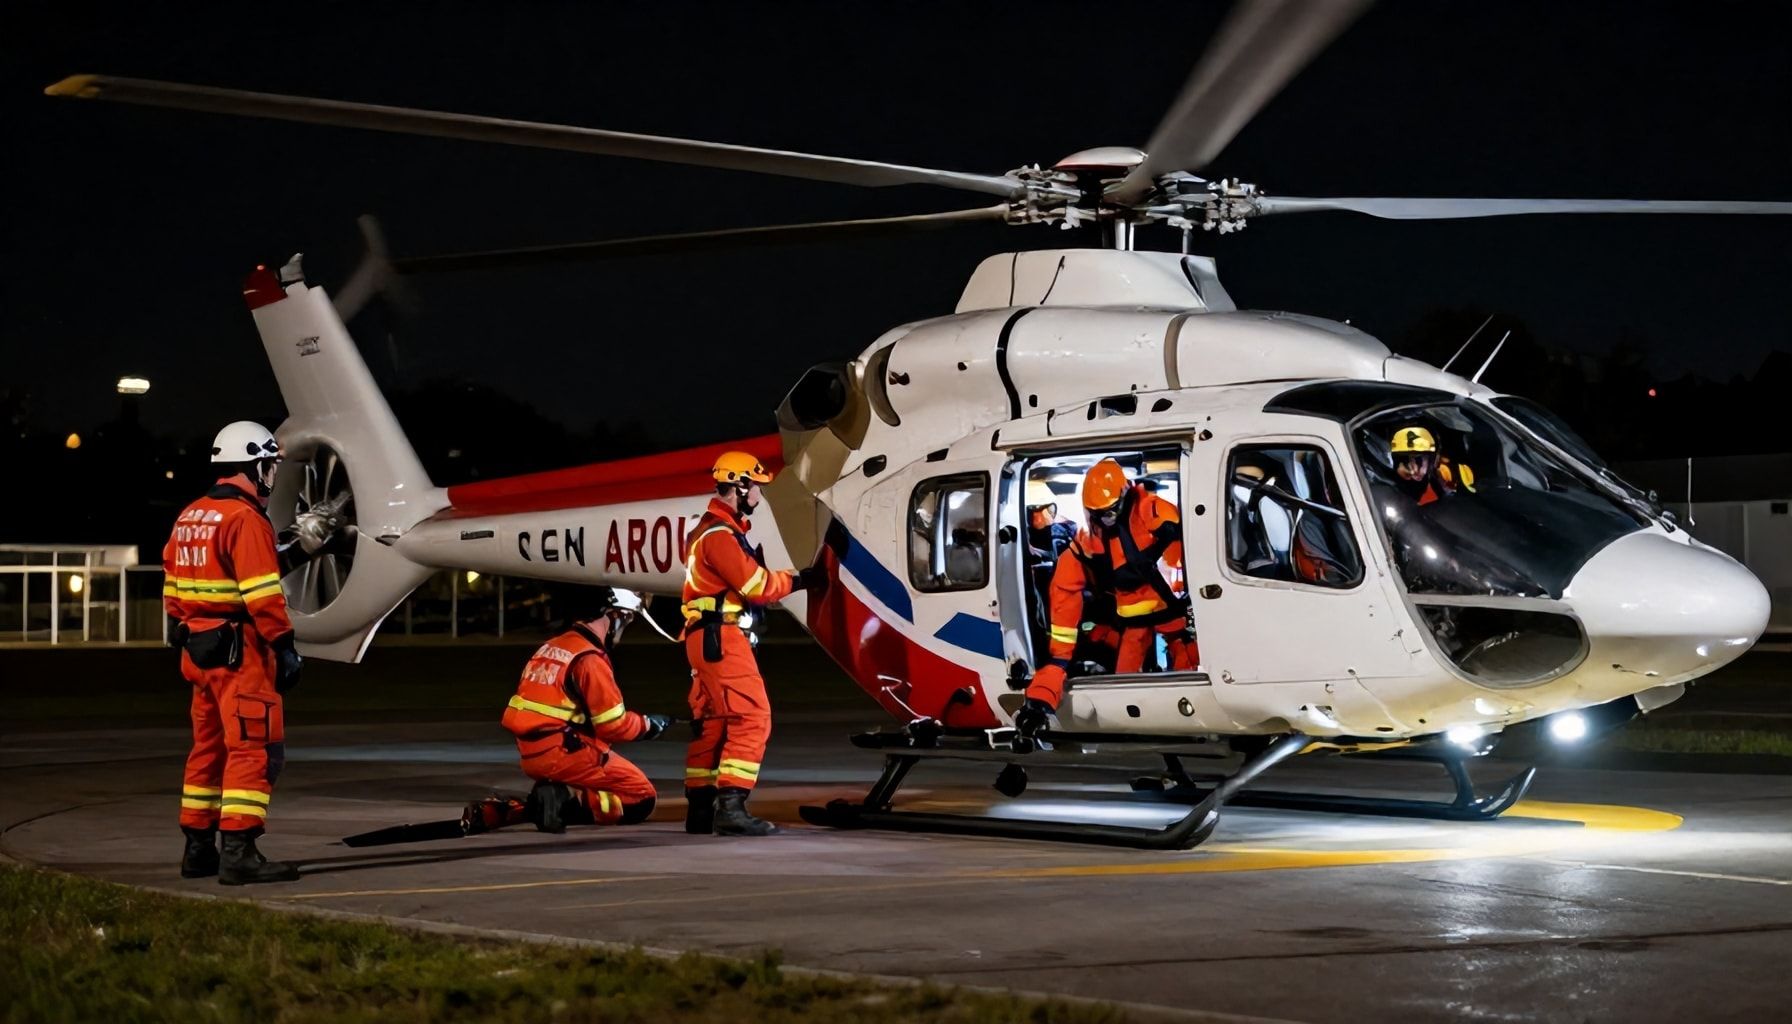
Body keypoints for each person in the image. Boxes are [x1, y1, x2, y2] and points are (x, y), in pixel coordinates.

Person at [165, 421, 307, 885]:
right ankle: (240, 854)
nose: (271, 477)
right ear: (253, 466)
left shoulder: (190, 515)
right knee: (255, 750)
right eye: (268, 467)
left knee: (207, 750)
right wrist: (284, 647)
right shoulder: (246, 519)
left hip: (199, 650)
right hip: (240, 654)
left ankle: (198, 851)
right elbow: (263, 594)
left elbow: (174, 586)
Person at [681, 451, 827, 836]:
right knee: (752, 718)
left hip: (704, 637)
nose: (759, 496)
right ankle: (732, 808)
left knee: (712, 723)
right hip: (722, 637)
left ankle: (699, 810)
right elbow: (756, 586)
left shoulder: (710, 531)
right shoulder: (721, 537)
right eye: (756, 487)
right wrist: (800, 579)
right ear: (740, 485)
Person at [1017, 459, 1198, 736]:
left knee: (1187, 666)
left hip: (1170, 613)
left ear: (1125, 495)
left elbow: (1185, 542)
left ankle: (1188, 725)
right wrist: (1059, 660)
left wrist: (1170, 542)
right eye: (1099, 513)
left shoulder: (1152, 510)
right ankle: (1139, 729)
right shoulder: (1087, 541)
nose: (1105, 518)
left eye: (1110, 512)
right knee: (1124, 680)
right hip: (1133, 623)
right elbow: (1064, 594)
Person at [497, 586, 673, 833]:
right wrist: (649, 725)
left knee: (604, 771)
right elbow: (614, 726)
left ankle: (545, 801)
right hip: (563, 753)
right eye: (627, 621)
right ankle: (562, 802)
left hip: (532, 755)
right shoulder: (590, 659)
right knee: (640, 797)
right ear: (614, 616)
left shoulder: (551, 647)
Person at [1390, 425, 1475, 506]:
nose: (1414, 473)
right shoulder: (1428, 482)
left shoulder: (1459, 468)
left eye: (1417, 462)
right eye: (1408, 473)